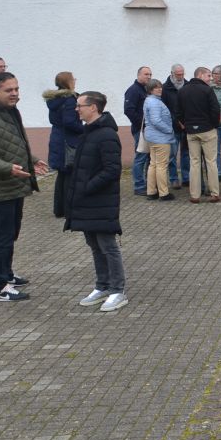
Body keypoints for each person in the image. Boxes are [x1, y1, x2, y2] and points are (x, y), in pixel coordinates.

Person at [0, 73, 48, 301]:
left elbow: (10, 143)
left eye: (16, 89)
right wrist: (8, 168)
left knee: (11, 234)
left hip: (14, 184)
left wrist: (32, 159)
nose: (15, 94)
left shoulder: (8, 110)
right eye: (9, 90)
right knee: (1, 237)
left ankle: (6, 274)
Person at [66, 90, 128, 312]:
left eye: (80, 105)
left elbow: (112, 170)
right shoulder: (88, 132)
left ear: (93, 107)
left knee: (108, 245)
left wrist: (87, 187)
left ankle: (117, 290)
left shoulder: (107, 135)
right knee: (94, 244)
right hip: (86, 201)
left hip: (101, 200)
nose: (77, 109)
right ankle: (102, 285)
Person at [177, 67, 221, 204]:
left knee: (194, 163)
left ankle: (195, 195)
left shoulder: (183, 90)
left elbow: (178, 112)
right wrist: (214, 124)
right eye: (208, 75)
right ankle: (214, 193)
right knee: (211, 162)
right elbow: (216, 109)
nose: (210, 78)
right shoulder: (207, 90)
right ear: (200, 75)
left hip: (191, 132)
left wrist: (186, 125)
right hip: (207, 130)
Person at [43, 71, 82, 218]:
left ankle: (59, 209)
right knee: (69, 174)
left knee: (62, 175)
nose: (75, 81)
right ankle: (68, 209)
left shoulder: (54, 99)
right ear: (68, 82)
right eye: (73, 79)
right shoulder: (69, 99)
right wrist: (84, 130)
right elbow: (70, 122)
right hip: (68, 140)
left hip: (57, 137)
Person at [143, 79, 175, 201]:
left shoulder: (149, 100)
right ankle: (163, 193)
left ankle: (151, 192)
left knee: (153, 164)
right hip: (160, 138)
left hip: (152, 137)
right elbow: (156, 121)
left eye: (160, 87)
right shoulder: (155, 102)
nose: (160, 89)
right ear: (150, 90)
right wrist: (169, 130)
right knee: (161, 165)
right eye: (156, 87)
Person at [124, 66, 152, 196]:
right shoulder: (133, 90)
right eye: (146, 74)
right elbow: (128, 110)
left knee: (150, 158)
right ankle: (139, 186)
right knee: (141, 157)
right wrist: (142, 124)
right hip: (140, 131)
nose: (149, 76)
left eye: (150, 74)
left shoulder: (147, 90)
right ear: (139, 75)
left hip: (149, 130)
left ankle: (149, 183)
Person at [162, 64, 190, 188]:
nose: (181, 76)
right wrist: (177, 121)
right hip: (172, 127)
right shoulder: (165, 88)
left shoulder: (188, 85)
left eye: (182, 74)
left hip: (187, 126)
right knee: (172, 154)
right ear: (172, 73)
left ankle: (186, 177)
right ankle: (173, 178)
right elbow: (165, 109)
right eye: (178, 74)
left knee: (186, 153)